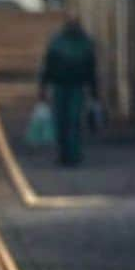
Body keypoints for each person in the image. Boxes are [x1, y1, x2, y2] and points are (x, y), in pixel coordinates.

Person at [38, 13, 97, 167]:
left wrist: (43, 87)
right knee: (66, 122)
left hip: (71, 87)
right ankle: (67, 154)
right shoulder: (67, 43)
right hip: (65, 86)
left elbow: (91, 70)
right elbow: (48, 66)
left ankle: (70, 155)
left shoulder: (75, 43)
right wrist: (43, 87)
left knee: (70, 122)